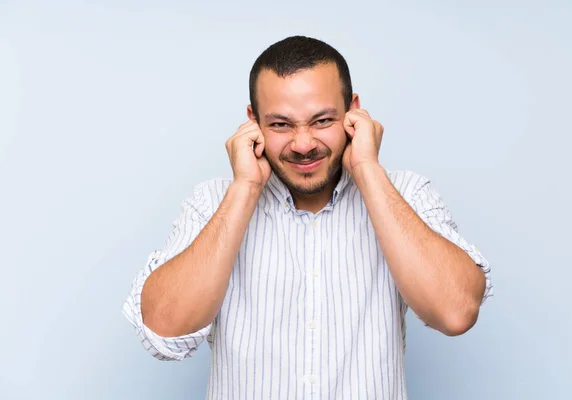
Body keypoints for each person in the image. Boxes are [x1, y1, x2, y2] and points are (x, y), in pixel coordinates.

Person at [123, 35, 493, 399]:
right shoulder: (213, 202)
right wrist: (245, 189)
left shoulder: (405, 194)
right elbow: (163, 331)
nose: (303, 145)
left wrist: (367, 168)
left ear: (354, 112)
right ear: (253, 122)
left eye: (322, 121)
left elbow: (456, 312)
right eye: (281, 125)